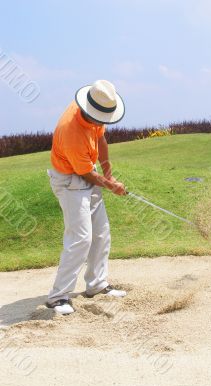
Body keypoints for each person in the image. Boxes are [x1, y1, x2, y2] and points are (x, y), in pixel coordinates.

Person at [46, 80, 127, 315]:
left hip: (85, 173)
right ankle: (58, 296)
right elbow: (85, 174)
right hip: (69, 181)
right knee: (81, 238)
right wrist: (111, 185)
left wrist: (109, 173)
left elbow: (101, 140)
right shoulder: (70, 130)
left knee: (101, 233)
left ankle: (97, 284)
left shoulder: (95, 114)